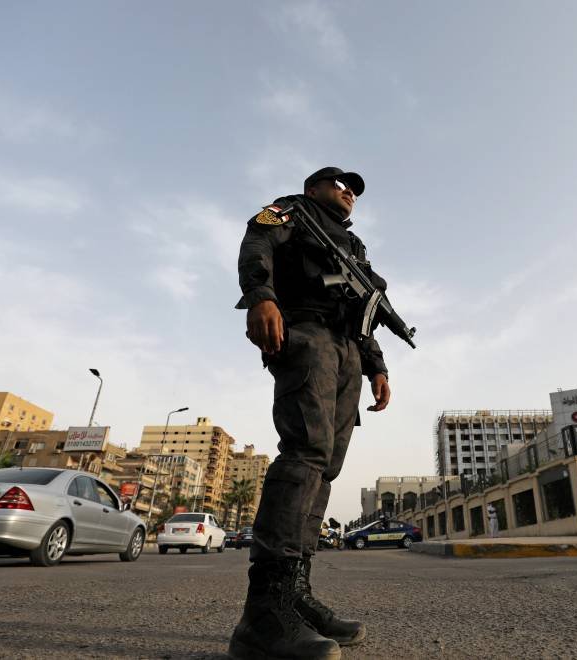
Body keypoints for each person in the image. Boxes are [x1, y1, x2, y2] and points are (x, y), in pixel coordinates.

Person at [229, 166, 392, 659]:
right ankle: (264, 609)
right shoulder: (290, 212)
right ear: (313, 188)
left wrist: (376, 366)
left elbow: (361, 311)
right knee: (304, 452)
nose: (349, 193)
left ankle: (295, 597)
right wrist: (261, 295)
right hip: (305, 333)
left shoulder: (354, 247)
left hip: (347, 352)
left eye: (354, 190)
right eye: (340, 183)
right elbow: (257, 243)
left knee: (326, 467)